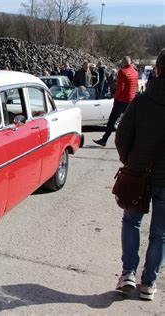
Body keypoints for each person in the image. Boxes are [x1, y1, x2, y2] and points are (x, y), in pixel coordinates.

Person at [113, 48, 165, 301]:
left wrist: (129, 160)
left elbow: (122, 135)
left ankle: (128, 274)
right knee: (160, 233)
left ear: (157, 69)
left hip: (138, 173)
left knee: (132, 222)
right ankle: (149, 283)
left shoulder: (142, 101)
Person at [93, 56, 138, 146]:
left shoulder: (122, 72)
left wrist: (115, 97)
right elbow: (135, 86)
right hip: (131, 100)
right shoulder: (135, 72)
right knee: (131, 123)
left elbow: (120, 88)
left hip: (121, 101)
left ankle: (104, 140)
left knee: (112, 121)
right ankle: (134, 142)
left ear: (123, 62)